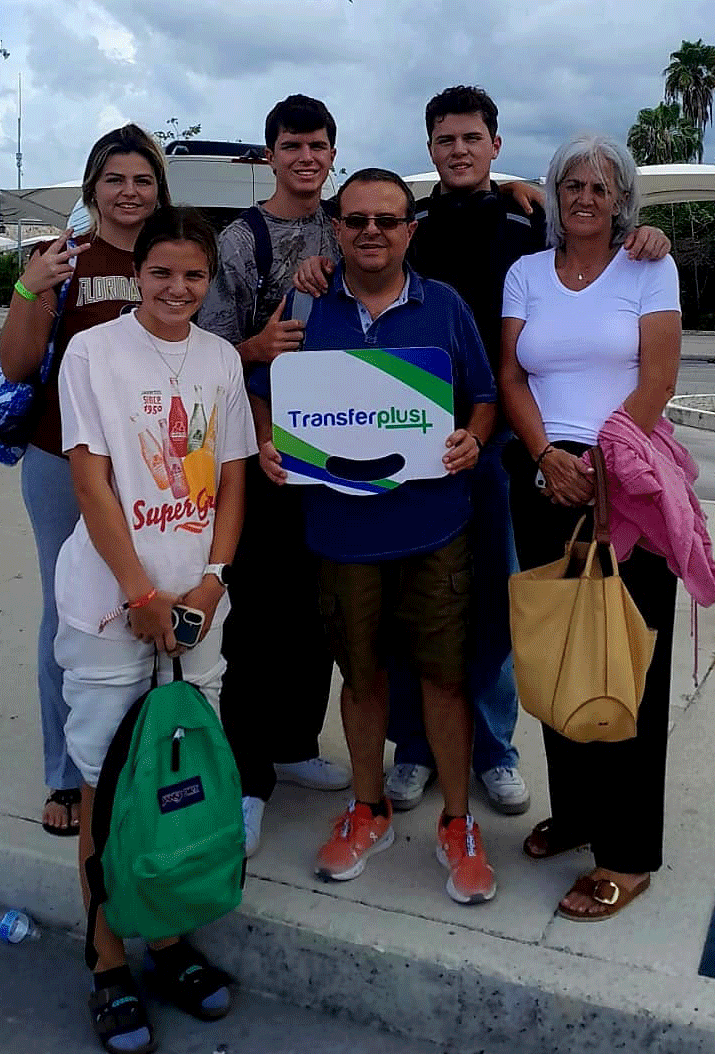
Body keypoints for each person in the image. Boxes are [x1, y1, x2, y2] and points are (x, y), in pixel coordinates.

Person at [295, 87, 670, 818]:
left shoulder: (527, 218)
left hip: (498, 441)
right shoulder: (412, 219)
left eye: (472, 137)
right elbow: (353, 258)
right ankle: (414, 749)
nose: (459, 149)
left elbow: (591, 250)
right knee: (410, 606)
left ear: (496, 146)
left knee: (500, 607)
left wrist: (642, 234)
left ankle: (495, 748)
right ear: (430, 149)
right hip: (405, 445)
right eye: (445, 139)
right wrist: (314, 273)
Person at [251, 169, 500, 904]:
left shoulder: (446, 305)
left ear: (409, 231)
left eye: (386, 221)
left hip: (435, 526)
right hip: (340, 532)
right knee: (359, 680)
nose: (370, 232)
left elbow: (483, 398)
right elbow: (267, 393)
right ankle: (369, 810)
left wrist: (472, 441)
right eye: (356, 219)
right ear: (336, 227)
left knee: (445, 681)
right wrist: (268, 444)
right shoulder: (304, 304)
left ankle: (458, 823)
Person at [54, 205, 256, 1054]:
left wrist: (211, 585)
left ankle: (168, 938)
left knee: (176, 775)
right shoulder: (93, 352)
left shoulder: (218, 359)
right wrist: (140, 593)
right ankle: (106, 960)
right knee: (108, 778)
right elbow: (92, 484)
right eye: (163, 273)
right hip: (112, 604)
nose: (179, 289)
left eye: (195, 276)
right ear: (139, 273)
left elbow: (233, 483)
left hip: (196, 606)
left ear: (210, 283)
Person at [499, 135, 681, 922]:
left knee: (630, 661)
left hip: (627, 475)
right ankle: (575, 816)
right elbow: (510, 374)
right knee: (558, 649)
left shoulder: (649, 266)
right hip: (543, 475)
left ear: (622, 199)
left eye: (601, 187)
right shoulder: (525, 273)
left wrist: (604, 462)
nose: (584, 197)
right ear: (554, 192)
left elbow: (660, 376)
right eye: (572, 184)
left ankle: (629, 851)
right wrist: (546, 455)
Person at [0, 124, 171, 837]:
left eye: (143, 180)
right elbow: (16, 364)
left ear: (160, 190)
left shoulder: (175, 258)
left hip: (156, 469)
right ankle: (67, 775)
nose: (129, 193)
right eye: (115, 179)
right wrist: (26, 287)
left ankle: (142, 759)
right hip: (62, 463)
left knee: (151, 607)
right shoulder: (59, 259)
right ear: (92, 187)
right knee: (68, 611)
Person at [198, 94, 350, 859]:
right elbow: (208, 356)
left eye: (318, 145)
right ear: (270, 154)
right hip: (259, 458)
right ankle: (248, 775)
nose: (306, 157)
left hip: (336, 459)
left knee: (316, 614)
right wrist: (257, 348)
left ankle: (295, 744)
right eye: (292, 146)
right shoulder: (239, 240)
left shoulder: (349, 223)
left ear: (332, 152)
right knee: (253, 625)